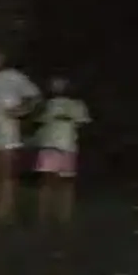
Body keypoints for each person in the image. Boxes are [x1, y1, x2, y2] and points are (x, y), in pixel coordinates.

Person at [0, 48, 40, 223]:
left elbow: (34, 96)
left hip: (6, 128)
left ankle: (5, 212)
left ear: (3, 58)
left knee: (7, 171)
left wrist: (21, 111)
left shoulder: (14, 76)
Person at [32, 77, 91, 225]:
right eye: (55, 85)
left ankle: (63, 217)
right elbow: (35, 121)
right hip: (49, 147)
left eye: (62, 84)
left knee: (66, 183)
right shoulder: (44, 105)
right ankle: (44, 216)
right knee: (47, 182)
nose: (59, 87)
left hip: (67, 147)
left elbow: (83, 124)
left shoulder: (77, 105)